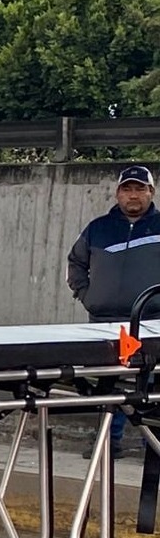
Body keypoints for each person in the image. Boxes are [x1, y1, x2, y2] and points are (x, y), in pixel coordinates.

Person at [67, 165, 160, 458]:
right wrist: (88, 296)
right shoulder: (98, 228)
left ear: (151, 192)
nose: (133, 195)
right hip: (104, 321)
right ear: (118, 193)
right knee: (108, 383)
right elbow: (76, 263)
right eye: (127, 189)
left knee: (153, 383)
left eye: (140, 189)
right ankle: (108, 441)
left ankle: (154, 447)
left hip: (152, 321)